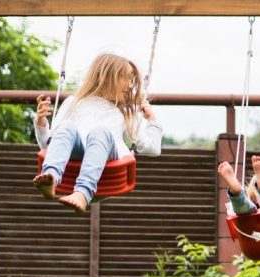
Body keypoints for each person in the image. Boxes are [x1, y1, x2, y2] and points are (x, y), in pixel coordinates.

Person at [33, 53, 163, 212]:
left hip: (108, 164)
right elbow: (50, 144)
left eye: (133, 81)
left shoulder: (125, 112)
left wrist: (152, 121)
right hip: (75, 156)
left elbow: (153, 148)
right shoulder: (73, 103)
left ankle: (82, 193)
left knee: (100, 132)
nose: (130, 86)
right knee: (66, 126)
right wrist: (41, 123)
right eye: (126, 78)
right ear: (107, 76)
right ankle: (51, 177)